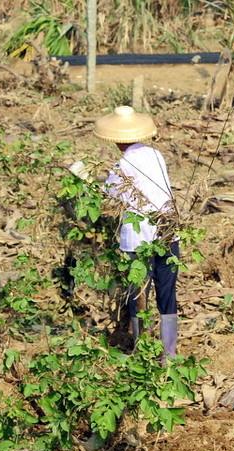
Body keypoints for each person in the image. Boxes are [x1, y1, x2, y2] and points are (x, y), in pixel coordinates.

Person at [93, 105, 180, 359]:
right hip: (168, 230)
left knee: (137, 291)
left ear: (117, 140)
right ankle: (170, 352)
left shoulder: (124, 163)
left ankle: (141, 349)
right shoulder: (155, 155)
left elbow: (109, 195)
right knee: (167, 292)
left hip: (139, 238)